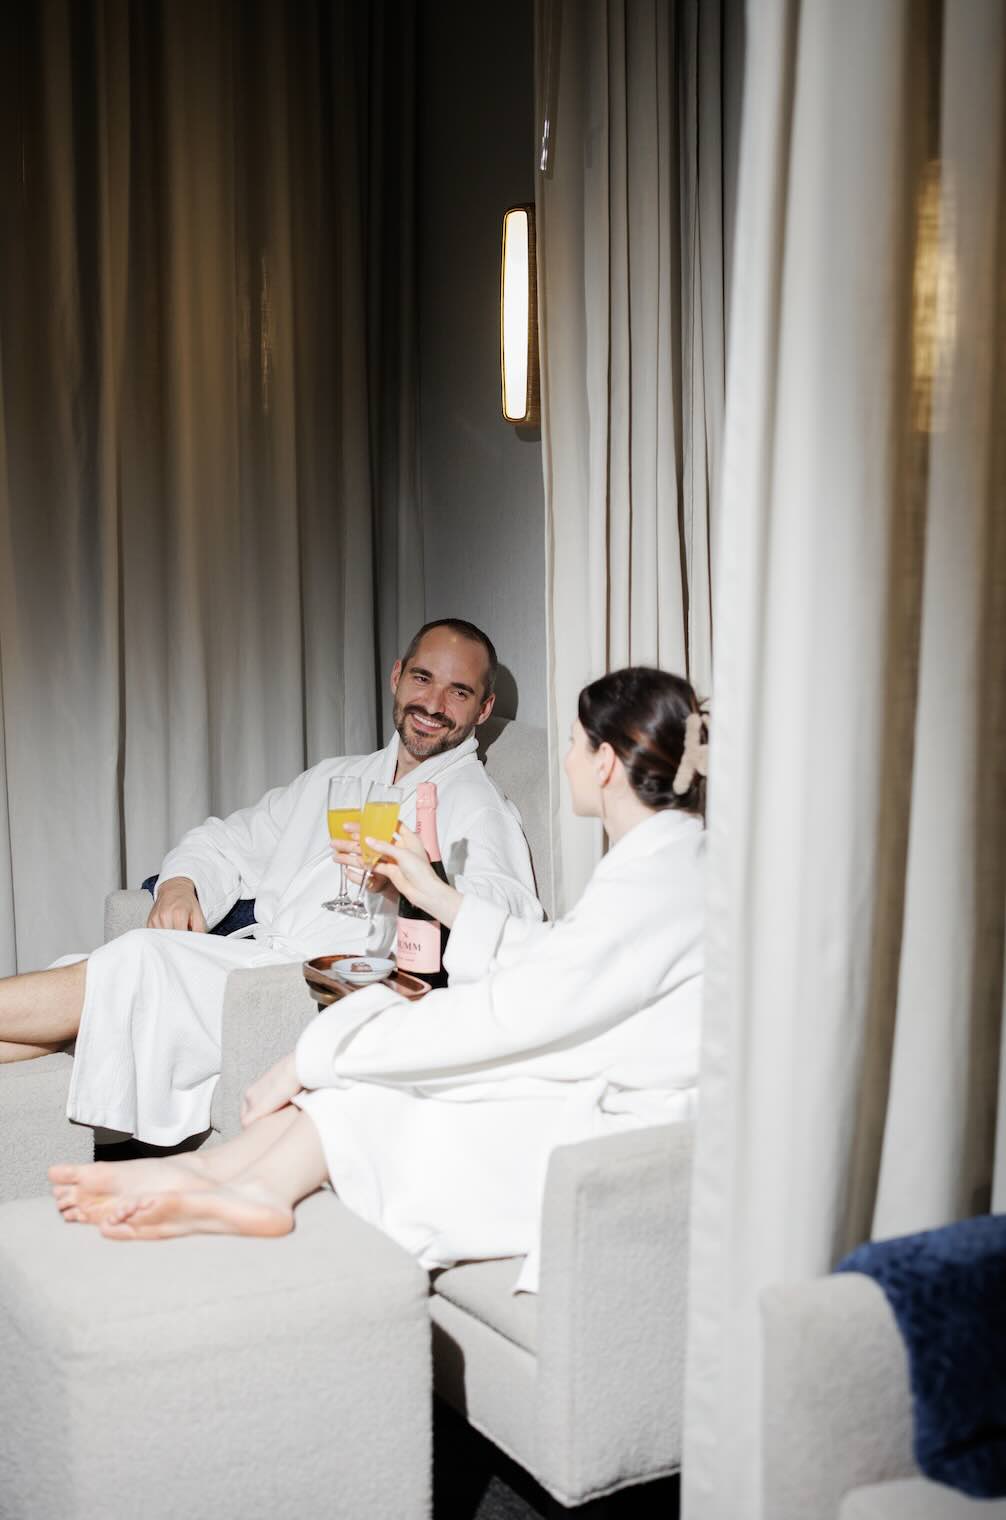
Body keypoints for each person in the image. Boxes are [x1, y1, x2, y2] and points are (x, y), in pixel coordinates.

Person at [51, 667, 709, 1292]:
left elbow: (518, 1006)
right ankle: (212, 1174)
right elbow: (556, 958)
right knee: (367, 1081)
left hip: (620, 1129)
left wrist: (317, 1053)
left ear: (603, 762)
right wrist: (432, 891)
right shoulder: (666, 861)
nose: (564, 761)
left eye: (572, 744)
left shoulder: (652, 881)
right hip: (598, 1077)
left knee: (377, 1086)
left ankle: (244, 1188)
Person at [1, 619, 542, 1146]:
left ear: (483, 708)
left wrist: (413, 886)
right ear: (397, 676)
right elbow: (226, 840)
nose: (433, 704)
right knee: (104, 988)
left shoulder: (475, 803)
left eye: (459, 691)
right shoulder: (335, 777)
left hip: (311, 993)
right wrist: (179, 884)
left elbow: (511, 918)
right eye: (423, 678)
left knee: (138, 959)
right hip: (257, 962)